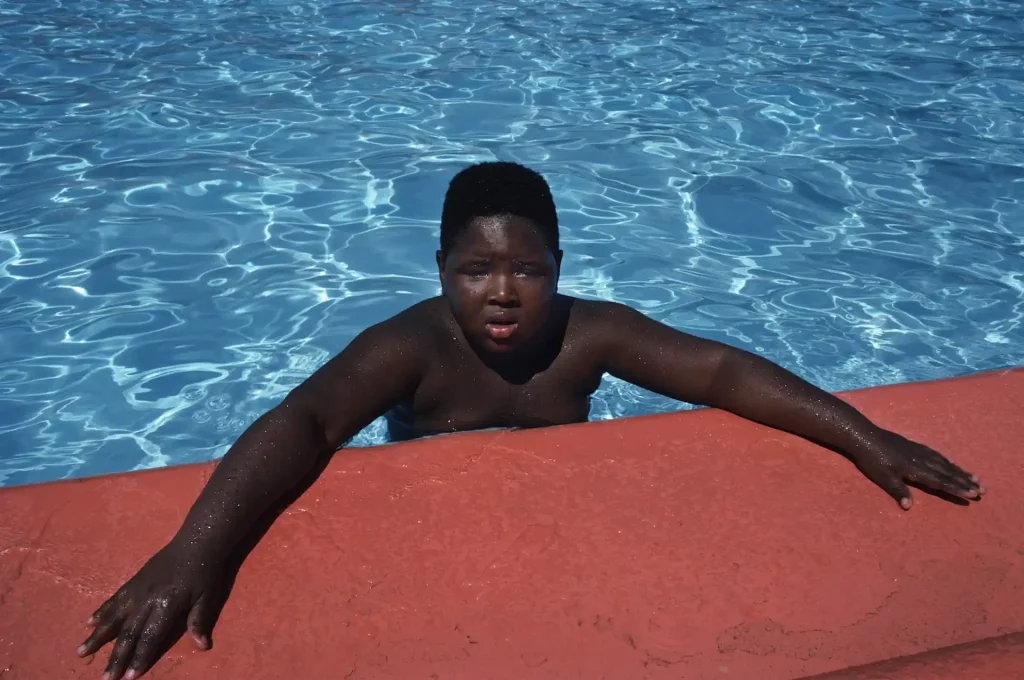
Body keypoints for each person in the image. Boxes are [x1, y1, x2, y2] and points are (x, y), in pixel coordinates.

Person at [77, 161, 984, 679]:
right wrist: (195, 550)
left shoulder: (586, 336)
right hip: (440, 520)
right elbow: (309, 420)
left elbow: (717, 370)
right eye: (477, 271)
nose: (504, 294)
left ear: (560, 265)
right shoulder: (412, 347)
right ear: (440, 269)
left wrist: (865, 435)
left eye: (529, 271)